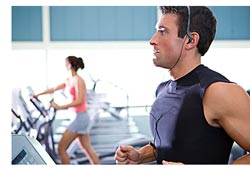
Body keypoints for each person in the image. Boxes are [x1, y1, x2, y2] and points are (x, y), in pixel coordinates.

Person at [115, 6, 250, 164]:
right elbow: (174, 145)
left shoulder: (218, 91)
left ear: (190, 40)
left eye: (162, 31)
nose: (152, 40)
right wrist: (141, 156)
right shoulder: (163, 89)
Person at [33, 56, 99, 164]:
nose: (64, 66)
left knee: (61, 148)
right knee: (87, 149)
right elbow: (54, 88)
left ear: (70, 65)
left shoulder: (79, 80)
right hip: (78, 117)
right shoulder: (69, 80)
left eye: (66, 64)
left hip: (80, 118)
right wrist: (37, 95)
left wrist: (60, 106)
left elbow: (79, 100)